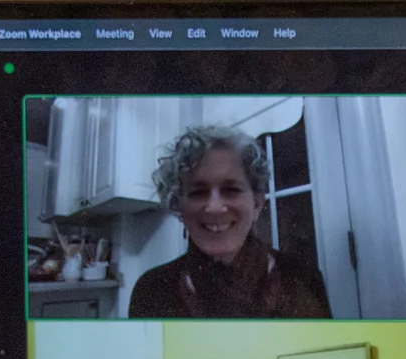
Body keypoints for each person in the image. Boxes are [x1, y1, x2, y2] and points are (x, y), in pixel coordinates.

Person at [127, 125, 331, 319]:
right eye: (198, 192)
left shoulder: (304, 278)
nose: (214, 207)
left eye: (231, 190)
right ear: (179, 207)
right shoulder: (151, 290)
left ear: (257, 204)